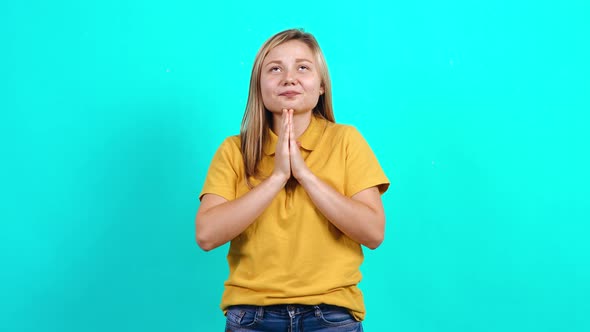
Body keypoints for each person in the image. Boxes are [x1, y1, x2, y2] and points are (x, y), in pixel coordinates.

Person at [196, 28, 389, 331]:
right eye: (275, 69)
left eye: (303, 67)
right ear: (259, 86)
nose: (289, 78)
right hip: (251, 318)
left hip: (331, 316)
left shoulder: (347, 142)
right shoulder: (233, 151)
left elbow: (373, 233)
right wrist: (277, 178)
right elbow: (207, 235)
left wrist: (304, 175)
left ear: (321, 85)